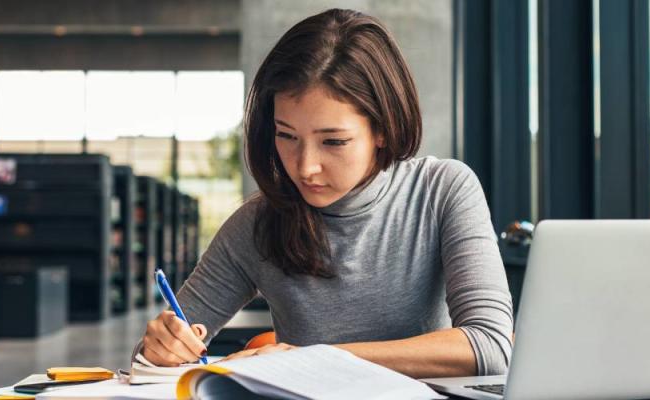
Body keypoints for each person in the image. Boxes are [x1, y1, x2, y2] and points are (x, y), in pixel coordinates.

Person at [137, 8, 513, 378]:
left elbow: (490, 346)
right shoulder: (256, 224)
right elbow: (151, 359)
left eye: (333, 141)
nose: (305, 167)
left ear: (382, 129)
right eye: (286, 136)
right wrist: (160, 349)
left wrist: (312, 359)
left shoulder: (442, 190)